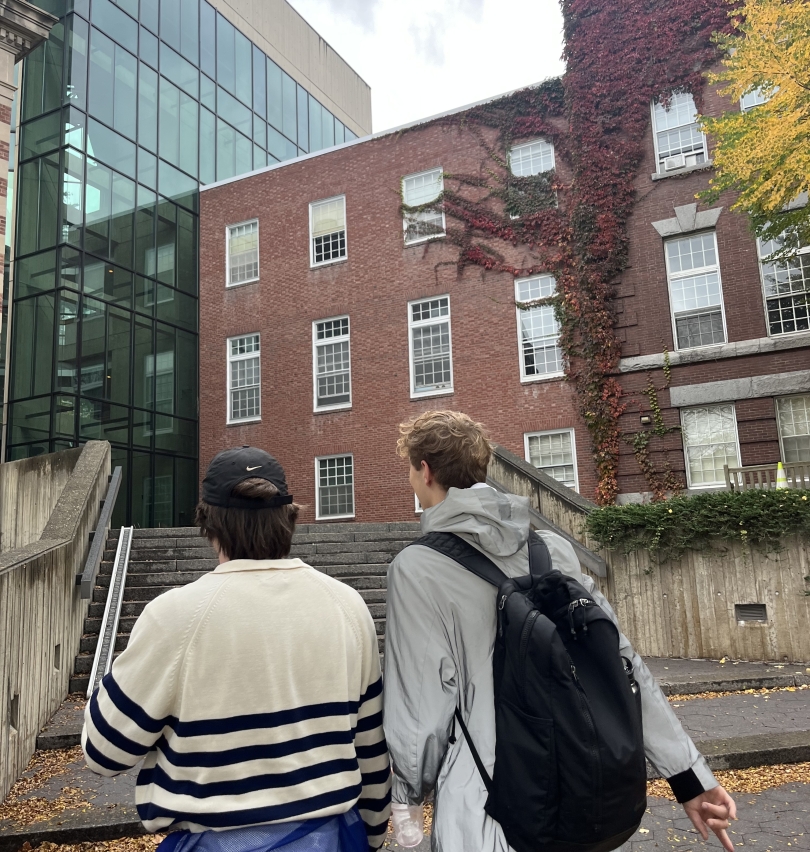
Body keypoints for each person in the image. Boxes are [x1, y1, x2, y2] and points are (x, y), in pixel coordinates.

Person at [383, 410, 737, 852]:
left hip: (487, 808)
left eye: (410, 469)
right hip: (575, 790)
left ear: (426, 470)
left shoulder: (417, 568)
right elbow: (623, 668)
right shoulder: (550, 550)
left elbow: (421, 705)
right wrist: (689, 778)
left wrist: (407, 797)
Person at [83, 446, 390, 852]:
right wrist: (373, 835)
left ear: (208, 524)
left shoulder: (175, 615)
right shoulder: (347, 605)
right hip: (331, 836)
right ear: (289, 516)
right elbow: (370, 745)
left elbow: (105, 752)